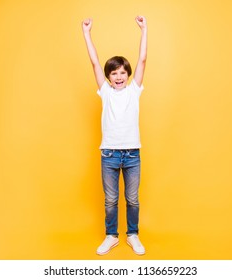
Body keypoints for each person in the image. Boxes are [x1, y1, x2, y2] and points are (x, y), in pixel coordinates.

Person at [82, 16, 148, 255]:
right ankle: (111, 236)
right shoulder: (105, 92)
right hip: (109, 154)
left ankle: (133, 234)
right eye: (114, 73)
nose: (119, 76)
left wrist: (144, 29)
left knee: (132, 199)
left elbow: (142, 59)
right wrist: (87, 33)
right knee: (110, 200)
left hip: (132, 154)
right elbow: (94, 63)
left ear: (128, 74)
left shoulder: (134, 90)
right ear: (108, 77)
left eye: (122, 72)